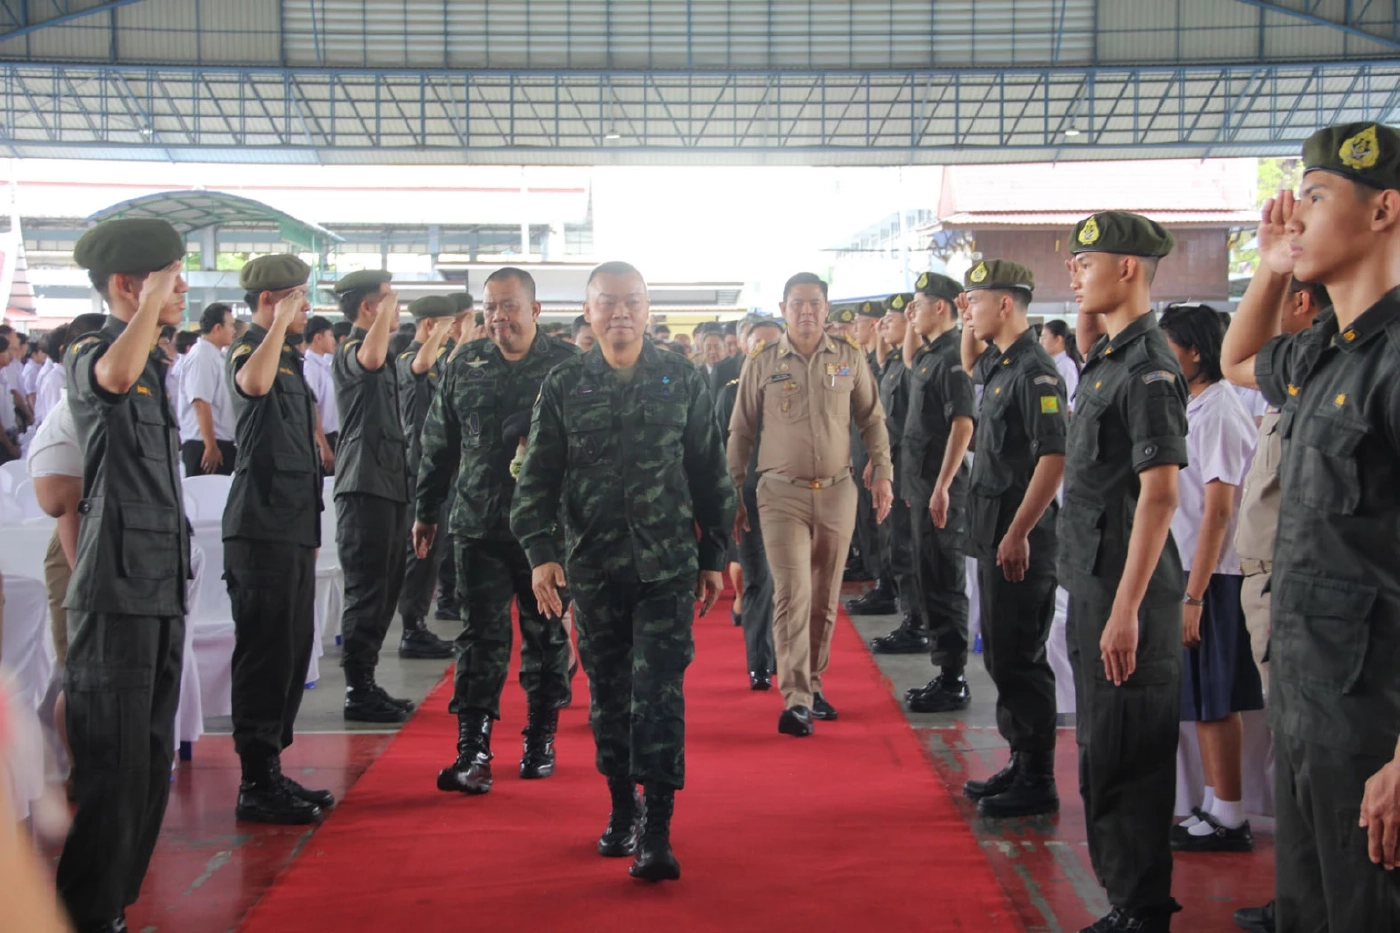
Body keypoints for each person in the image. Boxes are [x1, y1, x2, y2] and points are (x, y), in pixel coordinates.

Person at [1220, 121, 1400, 932]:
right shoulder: (1326, 348)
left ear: (1383, 211)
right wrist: (1270, 267)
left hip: (1372, 721)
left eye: (1316, 198)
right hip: (1305, 698)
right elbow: (1236, 360)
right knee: (1306, 909)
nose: (1295, 215)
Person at [511, 260, 733, 882]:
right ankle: (620, 810)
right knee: (608, 693)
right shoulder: (563, 384)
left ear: (648, 308)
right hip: (595, 569)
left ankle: (658, 826)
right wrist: (540, 553)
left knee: (659, 692)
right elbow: (536, 480)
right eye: (607, 303)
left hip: (667, 568)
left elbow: (710, 473)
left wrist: (714, 556)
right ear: (588, 312)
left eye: (631, 301)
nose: (620, 313)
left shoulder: (682, 378)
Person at [59, 218, 192, 933]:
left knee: (146, 763)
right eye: (170, 276)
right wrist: (146, 309)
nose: (183, 289)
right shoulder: (95, 350)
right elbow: (108, 379)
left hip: (157, 587)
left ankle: (110, 906)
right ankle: (85, 913)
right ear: (128, 284)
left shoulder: (152, 363)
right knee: (112, 770)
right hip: (114, 593)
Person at [1062, 211, 1187, 933]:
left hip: (1127, 592)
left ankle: (1142, 912)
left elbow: (1161, 493)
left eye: (1088, 260)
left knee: (1130, 759)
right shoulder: (1112, 357)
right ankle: (1125, 901)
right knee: (1100, 751)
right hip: (1097, 580)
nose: (1075, 271)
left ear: (1129, 268)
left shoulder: (1149, 368)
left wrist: (1126, 607)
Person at [415, 270, 580, 793]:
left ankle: (540, 738)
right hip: (478, 525)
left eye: (508, 306)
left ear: (535, 311)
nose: (498, 317)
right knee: (479, 639)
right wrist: (426, 509)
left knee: (546, 636)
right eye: (490, 307)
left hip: (546, 535)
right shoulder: (465, 361)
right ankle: (474, 749)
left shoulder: (569, 368)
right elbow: (439, 442)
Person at [727, 272, 892, 737]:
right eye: (797, 303)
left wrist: (883, 472)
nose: (806, 312)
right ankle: (795, 697)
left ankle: (813, 683)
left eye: (814, 303)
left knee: (823, 599)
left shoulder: (849, 358)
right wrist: (734, 492)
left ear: (825, 308)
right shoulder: (762, 362)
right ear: (783, 309)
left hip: (838, 492)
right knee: (792, 593)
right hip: (780, 494)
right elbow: (740, 431)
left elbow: (872, 420)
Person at [223, 254, 335, 825]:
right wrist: (273, 326)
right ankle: (254, 782)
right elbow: (252, 384)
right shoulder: (251, 350)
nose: (306, 306)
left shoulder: (291, 361)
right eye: (296, 296)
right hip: (259, 530)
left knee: (291, 652)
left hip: (292, 528)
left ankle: (271, 769)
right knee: (264, 653)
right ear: (268, 301)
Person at [1151, 304, 1264, 856]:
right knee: (1202, 697)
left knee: (1215, 699)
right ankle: (1219, 806)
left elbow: (1220, 510)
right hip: (1197, 573)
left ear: (1194, 350)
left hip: (1214, 576)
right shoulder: (1196, 405)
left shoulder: (1218, 410)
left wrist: (1193, 595)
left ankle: (1230, 815)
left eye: (1166, 343)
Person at [957, 261, 1068, 818]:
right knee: (1001, 654)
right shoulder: (1000, 364)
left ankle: (1038, 777)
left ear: (1005, 305)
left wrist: (1020, 531)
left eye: (975, 300)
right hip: (994, 533)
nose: (968, 309)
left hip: (1020, 540)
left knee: (1021, 657)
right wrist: (964, 323)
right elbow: (969, 362)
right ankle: (1021, 761)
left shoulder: (1035, 372)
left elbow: (1055, 457)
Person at [332, 270, 436, 724]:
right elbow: (370, 357)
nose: (397, 307)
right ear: (369, 308)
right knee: (366, 592)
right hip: (363, 487)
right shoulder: (353, 350)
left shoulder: (387, 352)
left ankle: (368, 682)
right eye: (389, 300)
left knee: (386, 589)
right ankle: (358, 688)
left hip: (390, 484)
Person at [898, 272, 976, 712]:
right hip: (922, 485)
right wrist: (911, 324)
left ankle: (954, 677)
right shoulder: (930, 355)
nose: (913, 312)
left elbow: (962, 425)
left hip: (940, 487)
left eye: (919, 305)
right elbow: (909, 361)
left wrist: (944, 486)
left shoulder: (952, 359)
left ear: (940, 308)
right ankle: (943, 670)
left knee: (945, 580)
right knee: (928, 576)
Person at [716, 313, 785, 689]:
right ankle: (760, 662)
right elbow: (719, 450)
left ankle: (792, 661)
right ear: (744, 346)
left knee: (793, 584)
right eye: (759, 343)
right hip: (753, 499)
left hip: (798, 498)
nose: (767, 351)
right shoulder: (730, 393)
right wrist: (729, 500)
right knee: (758, 579)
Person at [861, 293, 920, 640]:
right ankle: (902, 606)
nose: (883, 326)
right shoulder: (895, 361)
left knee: (908, 548)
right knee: (894, 541)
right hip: (892, 460)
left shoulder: (918, 362)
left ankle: (915, 621)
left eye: (891, 320)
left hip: (910, 467)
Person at [846, 298, 896, 614]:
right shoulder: (867, 360)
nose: (854, 329)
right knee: (867, 520)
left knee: (884, 527)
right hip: (862, 451)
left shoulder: (888, 363)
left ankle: (885, 585)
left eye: (861, 323)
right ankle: (873, 571)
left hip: (885, 459)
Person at [177, 302, 237, 477]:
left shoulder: (218, 355)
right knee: (206, 499)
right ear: (217, 328)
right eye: (231, 325)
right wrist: (211, 445)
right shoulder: (201, 355)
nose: (233, 330)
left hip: (222, 442)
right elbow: (201, 403)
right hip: (204, 444)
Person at [302, 314, 340, 461]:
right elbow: (312, 408)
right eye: (330, 336)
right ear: (318, 338)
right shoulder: (310, 367)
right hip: (321, 440)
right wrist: (323, 446)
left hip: (331, 437)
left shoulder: (323, 366)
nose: (334, 341)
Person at [1040, 319, 1083, 409]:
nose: (1041, 342)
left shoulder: (1066, 366)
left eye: (1044, 337)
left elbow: (1067, 402)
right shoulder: (1053, 364)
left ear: (1058, 339)